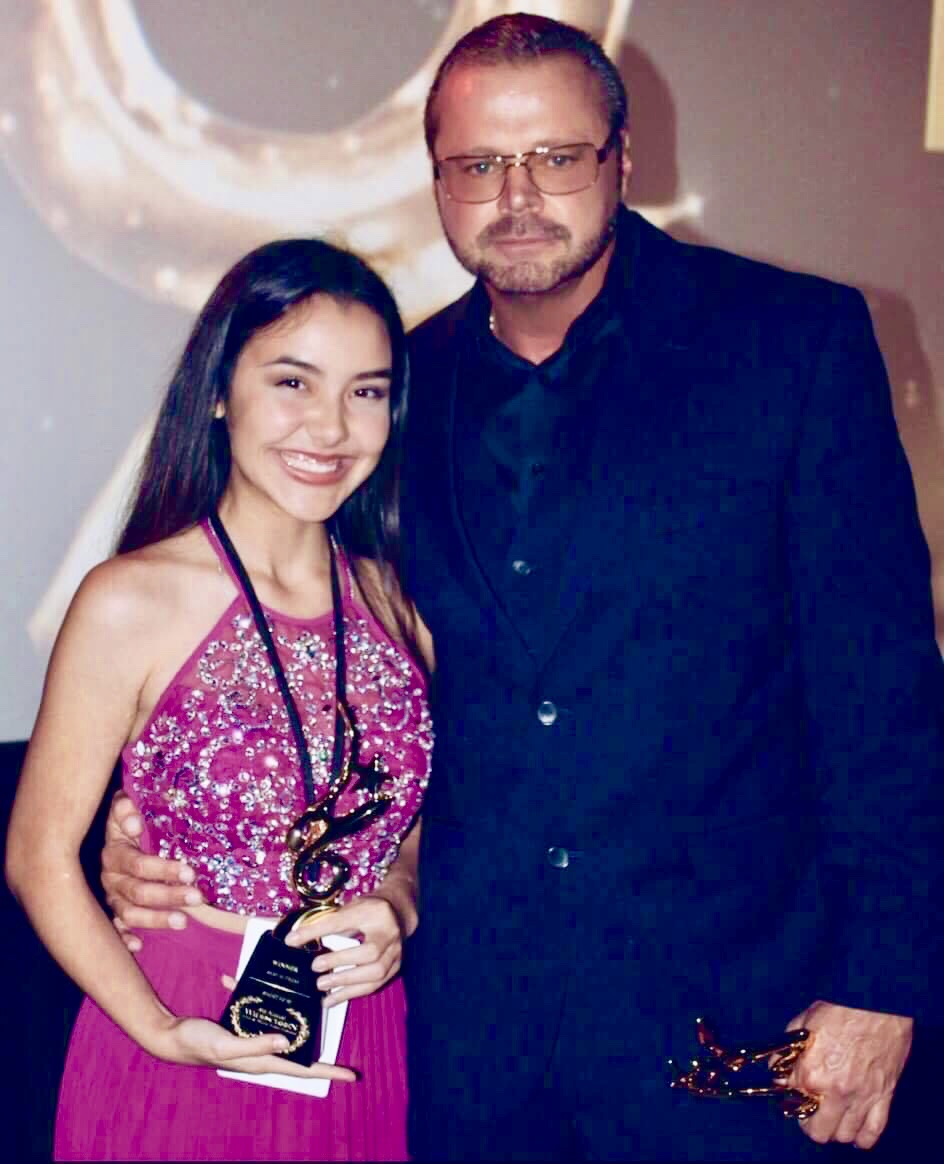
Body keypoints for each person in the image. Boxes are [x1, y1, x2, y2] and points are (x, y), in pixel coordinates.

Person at [100, 14, 944, 1162]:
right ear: (437, 182)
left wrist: (881, 982)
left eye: (554, 156)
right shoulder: (390, 394)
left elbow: (883, 698)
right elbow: (311, 655)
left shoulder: (790, 347)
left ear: (622, 160)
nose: (517, 197)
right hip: (467, 1041)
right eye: (478, 164)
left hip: (738, 1021)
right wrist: (148, 833)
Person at [6, 238, 433, 1161]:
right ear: (218, 391)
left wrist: (397, 900)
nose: (330, 427)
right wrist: (160, 1030)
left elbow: (411, 824)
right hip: (175, 1023)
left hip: (359, 1026)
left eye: (365, 391)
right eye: (293, 382)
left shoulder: (399, 604)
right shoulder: (131, 599)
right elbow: (38, 855)